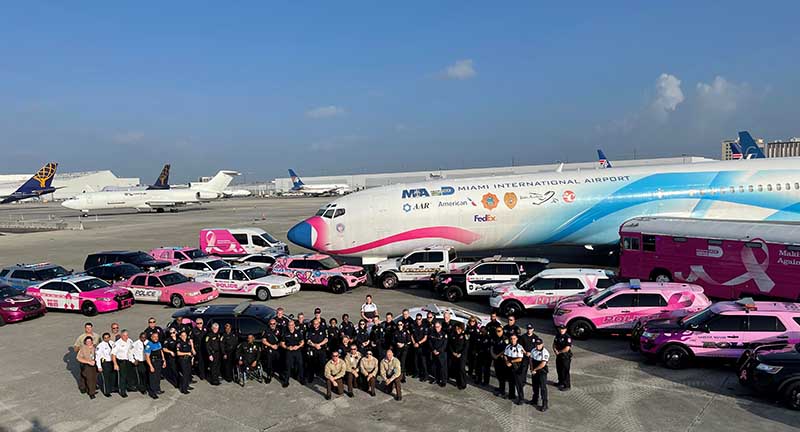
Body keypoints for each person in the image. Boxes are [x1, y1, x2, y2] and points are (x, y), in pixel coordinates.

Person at [74, 322, 100, 394]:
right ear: (85, 328)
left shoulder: (97, 336)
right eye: (87, 328)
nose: (88, 329)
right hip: (84, 357)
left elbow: (100, 344)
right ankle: (83, 387)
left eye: (90, 327)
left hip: (93, 357)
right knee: (83, 374)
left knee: (94, 373)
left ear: (92, 328)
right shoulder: (81, 337)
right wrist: (81, 350)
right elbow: (76, 347)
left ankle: (92, 385)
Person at [281, 320, 305, 387]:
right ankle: (286, 381)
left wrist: (298, 346)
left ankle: (301, 379)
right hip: (289, 352)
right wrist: (287, 347)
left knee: (300, 365)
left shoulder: (298, 332)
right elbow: (282, 343)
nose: (290, 327)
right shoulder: (285, 333)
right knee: (288, 366)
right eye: (289, 325)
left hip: (297, 351)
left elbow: (302, 342)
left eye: (292, 325)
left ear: (294, 325)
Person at [504, 333, 527, 405]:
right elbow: (505, 355)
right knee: (511, 381)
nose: (512, 340)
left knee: (518, 383)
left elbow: (520, 359)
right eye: (511, 339)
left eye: (514, 338)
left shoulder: (519, 347)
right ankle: (511, 395)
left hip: (517, 366)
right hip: (510, 365)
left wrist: (511, 361)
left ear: (517, 339)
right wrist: (507, 361)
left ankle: (521, 399)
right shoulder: (508, 346)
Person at [111, 330, 135, 397]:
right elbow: (113, 354)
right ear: (121, 336)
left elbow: (132, 350)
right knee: (122, 377)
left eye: (127, 335)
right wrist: (115, 364)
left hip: (129, 361)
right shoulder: (117, 343)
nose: (126, 337)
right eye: (124, 335)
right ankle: (122, 391)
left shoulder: (130, 341)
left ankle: (129, 387)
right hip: (121, 362)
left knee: (129, 375)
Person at [305, 318, 328, 384]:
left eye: (317, 324)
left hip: (321, 349)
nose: (315, 325)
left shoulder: (323, 330)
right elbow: (308, 341)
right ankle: (311, 377)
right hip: (313, 349)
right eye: (314, 324)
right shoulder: (310, 330)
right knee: (311, 364)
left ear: (319, 324)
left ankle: (324, 377)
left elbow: (326, 339)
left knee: (322, 363)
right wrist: (315, 345)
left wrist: (319, 344)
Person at [530, 338, 550, 411]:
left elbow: (543, 364)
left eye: (539, 344)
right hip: (534, 371)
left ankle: (545, 404)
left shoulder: (545, 352)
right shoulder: (533, 350)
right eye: (536, 344)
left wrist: (534, 370)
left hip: (542, 372)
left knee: (543, 388)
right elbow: (531, 359)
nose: (537, 346)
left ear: (542, 344)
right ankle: (535, 400)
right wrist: (532, 369)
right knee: (535, 386)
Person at [144, 331, 165, 399]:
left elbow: (161, 351)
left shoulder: (159, 343)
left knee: (158, 376)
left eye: (157, 337)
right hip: (153, 362)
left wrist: (164, 360)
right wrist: (150, 366)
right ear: (151, 337)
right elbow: (147, 356)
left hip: (159, 362)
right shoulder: (149, 345)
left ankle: (157, 389)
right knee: (153, 378)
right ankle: (152, 392)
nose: (156, 338)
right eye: (154, 337)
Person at [260, 319, 281, 384]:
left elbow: (282, 339)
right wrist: (271, 346)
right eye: (271, 324)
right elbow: (263, 340)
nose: (272, 325)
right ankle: (269, 376)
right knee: (269, 363)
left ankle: (279, 375)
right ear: (269, 324)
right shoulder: (266, 331)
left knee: (278, 362)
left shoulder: (279, 330)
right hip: (269, 349)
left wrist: (277, 345)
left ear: (276, 323)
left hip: (277, 349)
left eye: (274, 323)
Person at [490, 326, 509, 397]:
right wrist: (493, 355)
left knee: (502, 376)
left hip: (502, 360)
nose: (498, 332)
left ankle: (502, 391)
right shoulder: (494, 338)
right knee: (498, 374)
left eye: (499, 331)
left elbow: (505, 349)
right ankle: (500, 388)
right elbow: (491, 347)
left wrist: (497, 355)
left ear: (502, 331)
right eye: (497, 331)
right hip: (495, 359)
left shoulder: (505, 339)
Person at [553, 325, 573, 391]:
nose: (561, 330)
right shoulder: (558, 335)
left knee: (565, 370)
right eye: (560, 329)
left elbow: (567, 348)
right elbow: (554, 343)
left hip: (565, 356)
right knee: (559, 369)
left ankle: (567, 385)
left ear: (565, 330)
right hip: (559, 355)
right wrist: (555, 350)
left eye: (563, 329)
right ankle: (560, 382)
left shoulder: (567, 337)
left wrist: (559, 352)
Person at [428, 321, 448, 387]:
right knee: (435, 367)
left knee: (442, 368)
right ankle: (437, 379)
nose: (436, 328)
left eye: (438, 327)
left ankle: (443, 381)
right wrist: (433, 350)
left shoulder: (444, 334)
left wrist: (438, 351)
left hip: (441, 353)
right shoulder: (432, 333)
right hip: (434, 352)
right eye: (435, 327)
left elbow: (444, 345)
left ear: (441, 327)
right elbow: (430, 342)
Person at [449, 324, 468, 389]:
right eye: (456, 329)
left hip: (462, 355)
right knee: (456, 369)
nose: (457, 330)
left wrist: (460, 353)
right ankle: (458, 383)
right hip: (455, 355)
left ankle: (464, 383)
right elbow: (450, 345)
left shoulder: (465, 336)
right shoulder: (453, 335)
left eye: (459, 329)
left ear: (461, 329)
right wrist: (453, 352)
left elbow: (466, 346)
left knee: (461, 369)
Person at [411, 314, 429, 382]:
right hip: (415, 346)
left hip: (422, 347)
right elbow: (412, 335)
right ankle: (417, 373)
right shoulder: (414, 326)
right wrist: (414, 343)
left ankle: (425, 375)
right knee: (416, 361)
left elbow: (425, 337)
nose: (418, 320)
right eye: (417, 319)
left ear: (421, 319)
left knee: (423, 362)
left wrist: (418, 343)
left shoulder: (424, 327)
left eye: (419, 319)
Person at [96, 332, 114, 397]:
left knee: (112, 376)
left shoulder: (112, 343)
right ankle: (106, 391)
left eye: (108, 337)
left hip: (112, 362)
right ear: (103, 338)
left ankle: (112, 388)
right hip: (105, 363)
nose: (107, 339)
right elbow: (97, 357)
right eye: (105, 338)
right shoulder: (100, 346)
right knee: (106, 378)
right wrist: (99, 366)